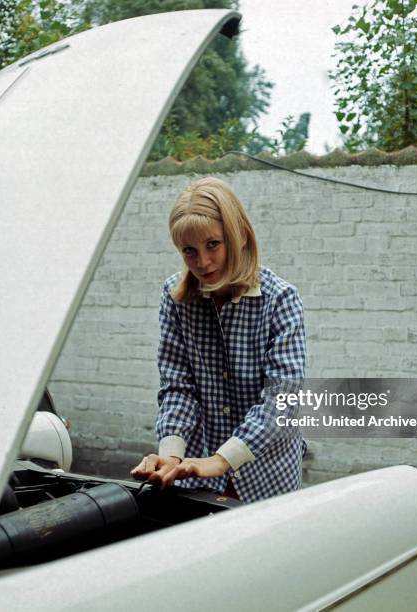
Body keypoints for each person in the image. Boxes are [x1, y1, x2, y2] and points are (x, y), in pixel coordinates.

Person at [130, 177, 306, 503]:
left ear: (239, 235)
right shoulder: (175, 299)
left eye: (213, 244)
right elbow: (177, 387)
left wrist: (221, 460)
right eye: (189, 251)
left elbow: (282, 401)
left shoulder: (280, 299)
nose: (203, 262)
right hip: (193, 475)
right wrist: (171, 454)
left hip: (267, 475)